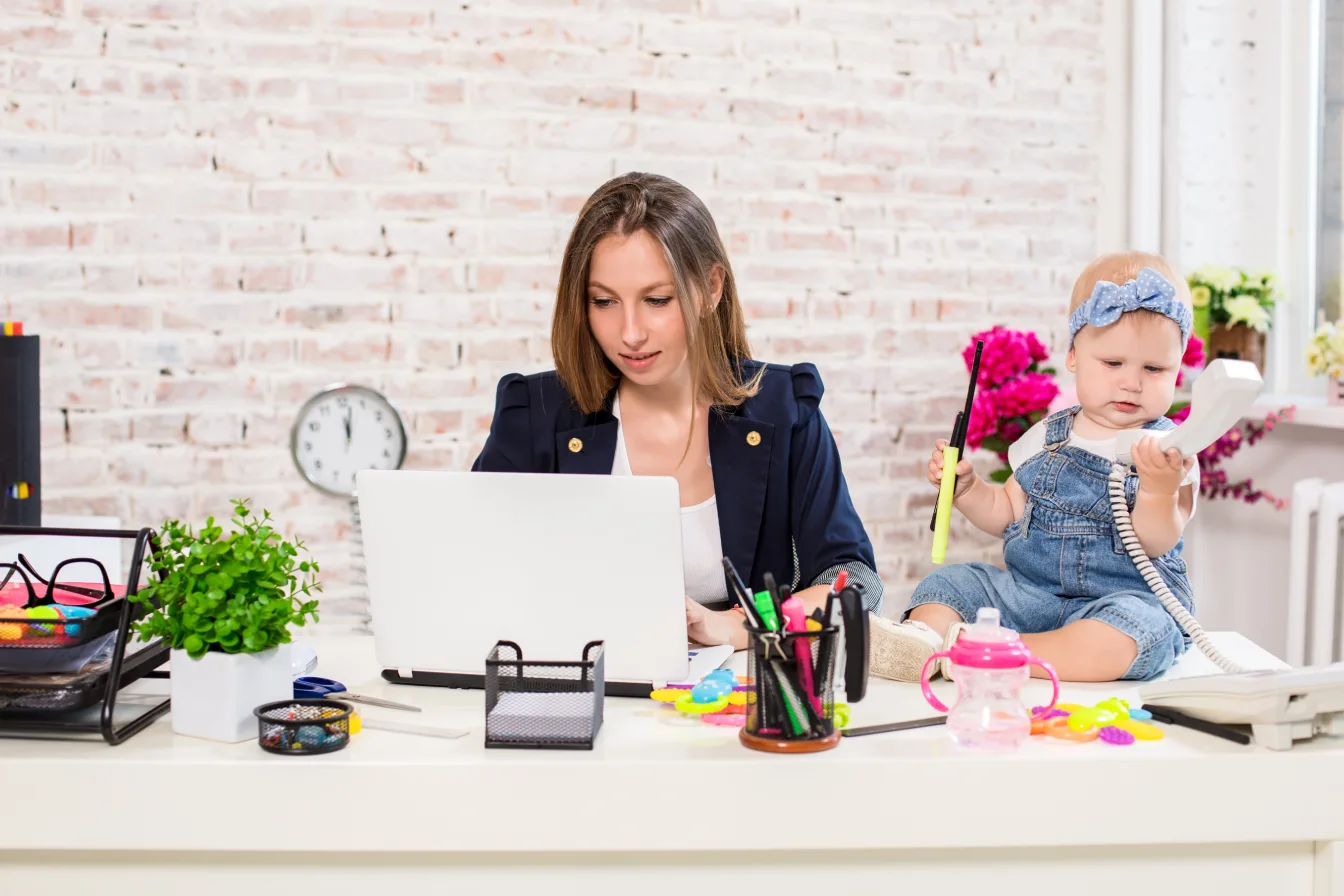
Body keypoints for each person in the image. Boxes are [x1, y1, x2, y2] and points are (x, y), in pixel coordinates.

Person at [472, 172, 882, 649]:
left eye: (656, 300)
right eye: (603, 301)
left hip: (734, 699)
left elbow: (852, 581)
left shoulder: (786, 410)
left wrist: (739, 626)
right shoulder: (534, 416)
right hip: (576, 681)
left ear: (711, 288)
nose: (630, 333)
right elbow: (475, 564)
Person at [870, 251, 1199, 682]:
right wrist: (968, 490)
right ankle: (925, 642)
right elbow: (1007, 511)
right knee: (956, 583)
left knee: (1142, 630)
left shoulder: (1173, 452)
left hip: (1120, 601)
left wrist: (1157, 489)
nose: (1131, 382)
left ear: (1177, 370)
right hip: (1029, 597)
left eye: (1154, 369)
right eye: (1113, 363)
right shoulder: (1047, 437)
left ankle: (1002, 652)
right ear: (1074, 356)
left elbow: (1155, 542)